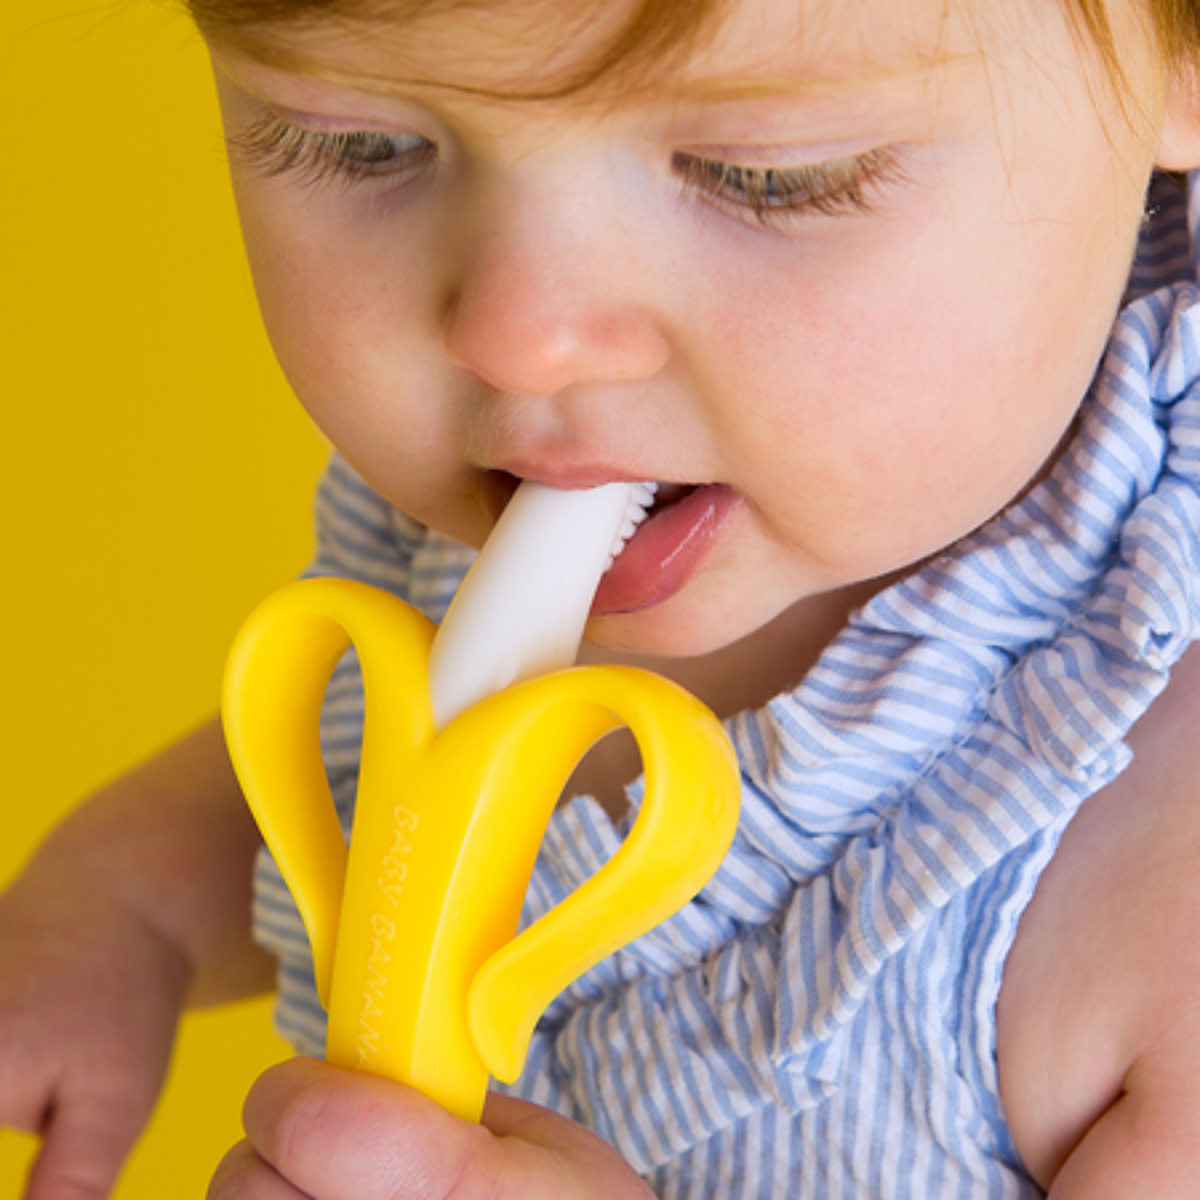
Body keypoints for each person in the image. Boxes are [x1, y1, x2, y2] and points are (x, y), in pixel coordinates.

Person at [6, 0, 1200, 1195]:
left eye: (764, 178)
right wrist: (116, 916)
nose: (518, 340)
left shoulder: (1158, 877)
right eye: (357, 143)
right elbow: (353, 779)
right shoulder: (481, 521)